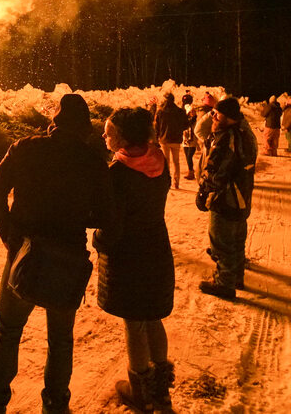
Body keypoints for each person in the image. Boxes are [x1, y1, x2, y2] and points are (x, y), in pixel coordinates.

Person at [0, 93, 114, 414]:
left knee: (9, 329)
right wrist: (79, 217)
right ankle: (55, 407)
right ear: (83, 127)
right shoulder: (92, 162)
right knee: (60, 339)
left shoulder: (26, 148)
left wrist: (8, 234)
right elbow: (104, 214)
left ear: (55, 122)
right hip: (69, 256)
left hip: (24, 251)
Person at [95, 107, 174, 412]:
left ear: (124, 137)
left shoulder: (118, 173)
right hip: (156, 246)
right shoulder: (159, 162)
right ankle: (161, 388)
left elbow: (111, 222)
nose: (104, 136)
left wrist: (99, 240)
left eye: (109, 131)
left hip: (129, 254)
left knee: (134, 321)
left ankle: (139, 389)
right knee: (153, 316)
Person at [196, 97, 256, 301]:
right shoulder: (241, 133)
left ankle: (224, 283)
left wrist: (204, 191)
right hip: (240, 198)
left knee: (221, 242)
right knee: (236, 240)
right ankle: (236, 277)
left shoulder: (227, 138)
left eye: (217, 114)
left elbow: (217, 171)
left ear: (229, 118)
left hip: (226, 199)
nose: (213, 116)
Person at [154, 92, 188, 188]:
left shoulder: (161, 111)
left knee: (166, 162)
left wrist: (157, 138)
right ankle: (176, 182)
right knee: (176, 162)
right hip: (176, 140)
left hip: (164, 140)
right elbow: (186, 124)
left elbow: (156, 127)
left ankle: (167, 182)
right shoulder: (180, 111)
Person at [192, 93, 217, 178]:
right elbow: (199, 128)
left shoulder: (203, 111)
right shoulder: (205, 113)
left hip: (207, 138)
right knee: (206, 159)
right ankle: (204, 176)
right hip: (207, 139)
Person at [180, 92, 197, 181]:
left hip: (191, 135)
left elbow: (192, 120)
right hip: (186, 135)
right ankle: (190, 171)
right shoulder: (184, 109)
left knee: (189, 155)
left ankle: (191, 172)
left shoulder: (190, 109)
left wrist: (185, 120)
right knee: (187, 155)